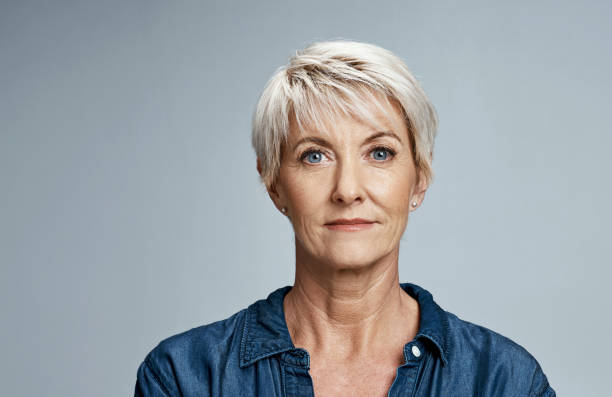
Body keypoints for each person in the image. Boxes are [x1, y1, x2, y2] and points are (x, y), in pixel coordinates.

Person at [134, 40, 555, 396]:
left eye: (379, 153)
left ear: (419, 180)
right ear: (274, 184)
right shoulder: (186, 378)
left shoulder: (504, 381)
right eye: (314, 156)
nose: (348, 189)